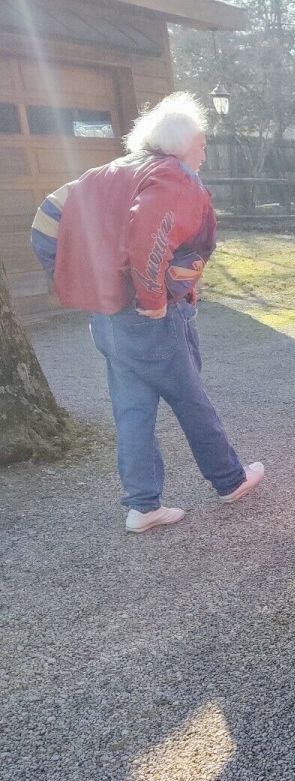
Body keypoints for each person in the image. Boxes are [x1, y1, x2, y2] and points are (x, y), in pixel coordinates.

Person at [31, 92, 263, 533]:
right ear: (182, 143)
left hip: (108, 318)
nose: (205, 151)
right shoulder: (174, 176)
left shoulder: (105, 173)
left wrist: (86, 284)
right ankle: (230, 480)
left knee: (132, 409)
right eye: (201, 142)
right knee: (191, 398)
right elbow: (150, 235)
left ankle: (142, 505)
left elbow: (46, 220)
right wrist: (153, 299)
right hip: (151, 316)